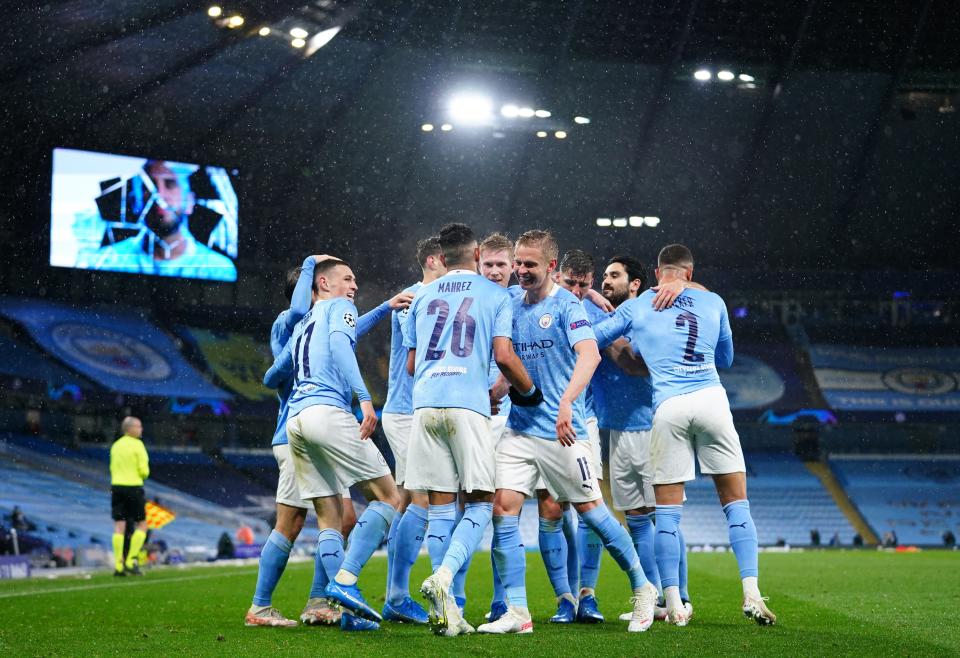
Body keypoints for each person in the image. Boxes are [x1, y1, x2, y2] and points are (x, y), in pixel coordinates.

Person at [478, 230, 658, 635]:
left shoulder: (567, 308)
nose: (521, 271)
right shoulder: (512, 304)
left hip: (563, 432)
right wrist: (498, 390)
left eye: (530, 265)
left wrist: (566, 401)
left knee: (592, 513)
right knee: (502, 510)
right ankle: (518, 612)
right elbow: (517, 362)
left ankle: (643, 587)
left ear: (551, 268)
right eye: (519, 264)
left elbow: (590, 353)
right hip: (519, 429)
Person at [592, 243, 776, 626]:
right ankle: (752, 592)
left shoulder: (640, 305)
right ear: (689, 274)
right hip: (711, 399)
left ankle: (674, 604)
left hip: (669, 406)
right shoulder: (714, 302)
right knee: (736, 504)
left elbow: (594, 336)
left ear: (658, 274)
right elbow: (725, 358)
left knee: (668, 514)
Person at [248, 255, 412, 629]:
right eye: (348, 279)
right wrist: (364, 397)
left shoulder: (307, 323)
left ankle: (322, 602)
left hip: (295, 422)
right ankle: (335, 588)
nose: (354, 287)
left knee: (333, 519)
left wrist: (384, 308)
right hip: (322, 416)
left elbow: (274, 374)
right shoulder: (300, 316)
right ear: (319, 285)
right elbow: (340, 340)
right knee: (383, 498)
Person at [402, 223, 537, 637]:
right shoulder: (495, 295)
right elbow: (504, 355)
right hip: (468, 405)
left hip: (425, 406)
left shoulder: (420, 295)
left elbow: (410, 365)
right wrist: (529, 391)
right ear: (476, 253)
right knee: (480, 503)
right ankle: (444, 577)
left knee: (441, 510)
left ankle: (452, 612)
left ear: (440, 258)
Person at [380, 236, 446, 624]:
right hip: (407, 412)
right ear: (435, 260)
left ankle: (393, 593)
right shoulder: (411, 299)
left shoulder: (432, 297)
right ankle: (398, 594)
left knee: (405, 502)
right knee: (422, 499)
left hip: (417, 410)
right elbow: (417, 360)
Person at [79, 160, 236, 280]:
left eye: (170, 184)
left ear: (189, 202)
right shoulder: (105, 262)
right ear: (135, 202)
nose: (159, 195)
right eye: (149, 187)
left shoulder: (218, 269)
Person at [110, 416, 149, 577]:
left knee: (120, 525)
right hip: (133, 487)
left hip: (117, 487)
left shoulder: (116, 445)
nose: (141, 430)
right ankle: (131, 560)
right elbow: (144, 471)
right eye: (139, 427)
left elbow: (112, 467)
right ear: (130, 429)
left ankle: (118, 565)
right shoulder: (138, 445)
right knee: (142, 524)